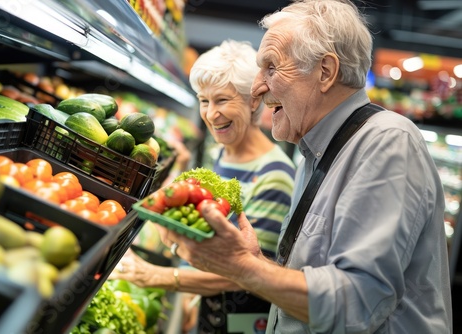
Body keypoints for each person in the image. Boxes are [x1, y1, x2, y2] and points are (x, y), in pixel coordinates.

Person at [154, 1, 453, 333]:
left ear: (325, 72)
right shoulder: (317, 151)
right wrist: (254, 261)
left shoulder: (387, 144)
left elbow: (358, 304)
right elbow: (313, 280)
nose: (256, 88)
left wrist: (240, 268)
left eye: (271, 67)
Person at [111, 40, 296, 333]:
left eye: (222, 100)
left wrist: (157, 276)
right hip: (206, 311)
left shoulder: (274, 176)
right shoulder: (222, 153)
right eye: (204, 101)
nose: (211, 114)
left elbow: (248, 273)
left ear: (252, 101)